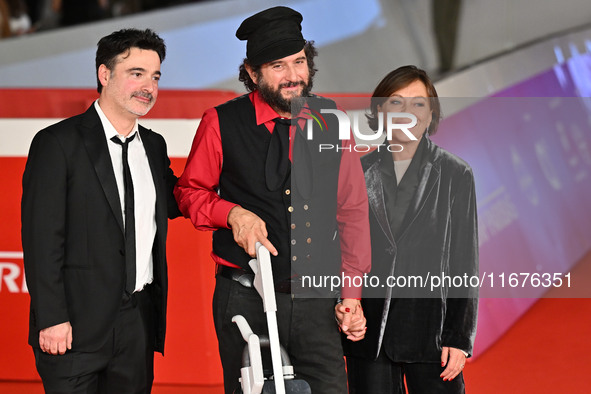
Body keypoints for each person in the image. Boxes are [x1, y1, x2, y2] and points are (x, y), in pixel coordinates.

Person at [174, 6, 371, 394]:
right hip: (245, 296)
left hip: (317, 298)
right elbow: (188, 191)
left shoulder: (331, 118)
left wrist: (351, 296)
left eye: (299, 62)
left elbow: (352, 210)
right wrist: (230, 213)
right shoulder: (220, 121)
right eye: (277, 66)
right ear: (251, 73)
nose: (293, 76)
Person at [22, 28, 180, 393]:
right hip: (73, 328)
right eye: (136, 74)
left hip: (137, 325)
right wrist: (52, 318)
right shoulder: (57, 143)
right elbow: (41, 239)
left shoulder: (154, 146)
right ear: (104, 74)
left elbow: (178, 200)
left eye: (155, 76)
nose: (149, 87)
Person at [344, 66, 479, 393]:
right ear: (379, 110)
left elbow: (465, 262)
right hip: (369, 337)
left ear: (431, 112)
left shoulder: (455, 174)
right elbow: (343, 251)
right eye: (396, 103)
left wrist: (458, 338)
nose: (407, 113)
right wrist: (346, 307)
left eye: (418, 104)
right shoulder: (357, 173)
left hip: (432, 336)